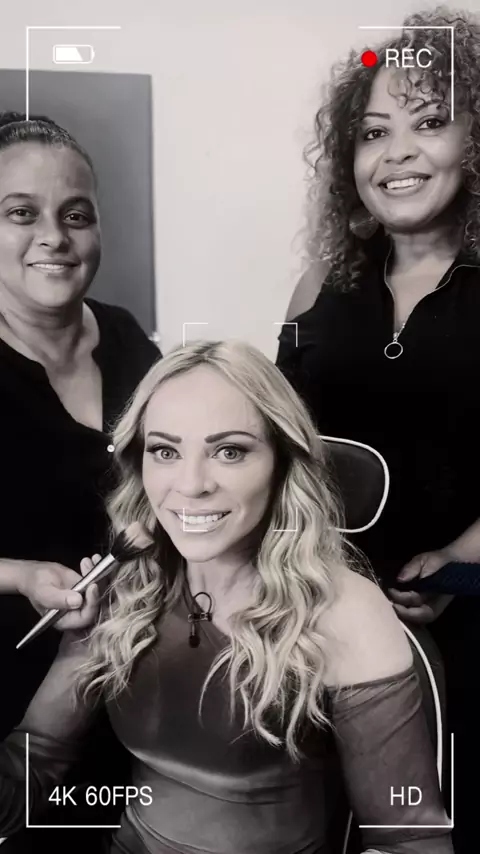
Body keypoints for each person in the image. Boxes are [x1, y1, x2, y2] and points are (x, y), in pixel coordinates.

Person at [0, 340, 453, 853]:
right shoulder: (125, 585)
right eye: (165, 451)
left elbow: (412, 842)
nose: (191, 485)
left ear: (282, 461)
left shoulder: (344, 610)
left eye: (229, 451)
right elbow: (26, 773)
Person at [275, 8, 480, 852]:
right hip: (318, 613)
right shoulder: (320, 283)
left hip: (462, 615)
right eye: (372, 132)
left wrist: (464, 558)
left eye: (429, 123)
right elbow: (278, 443)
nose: (395, 153)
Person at [0, 111, 161, 848]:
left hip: (132, 689)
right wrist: (21, 575)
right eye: (20, 214)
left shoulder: (128, 339)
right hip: (19, 711)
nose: (54, 237)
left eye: (75, 215)